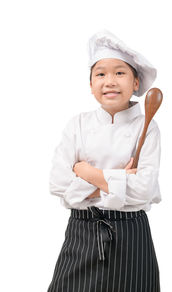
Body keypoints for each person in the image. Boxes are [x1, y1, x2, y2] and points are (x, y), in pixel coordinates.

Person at [47, 29, 161, 292]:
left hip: (132, 236)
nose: (109, 80)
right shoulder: (77, 124)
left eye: (120, 72)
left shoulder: (148, 126)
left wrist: (87, 172)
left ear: (136, 83)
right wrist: (120, 179)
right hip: (82, 232)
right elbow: (57, 183)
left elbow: (143, 190)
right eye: (100, 74)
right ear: (90, 85)